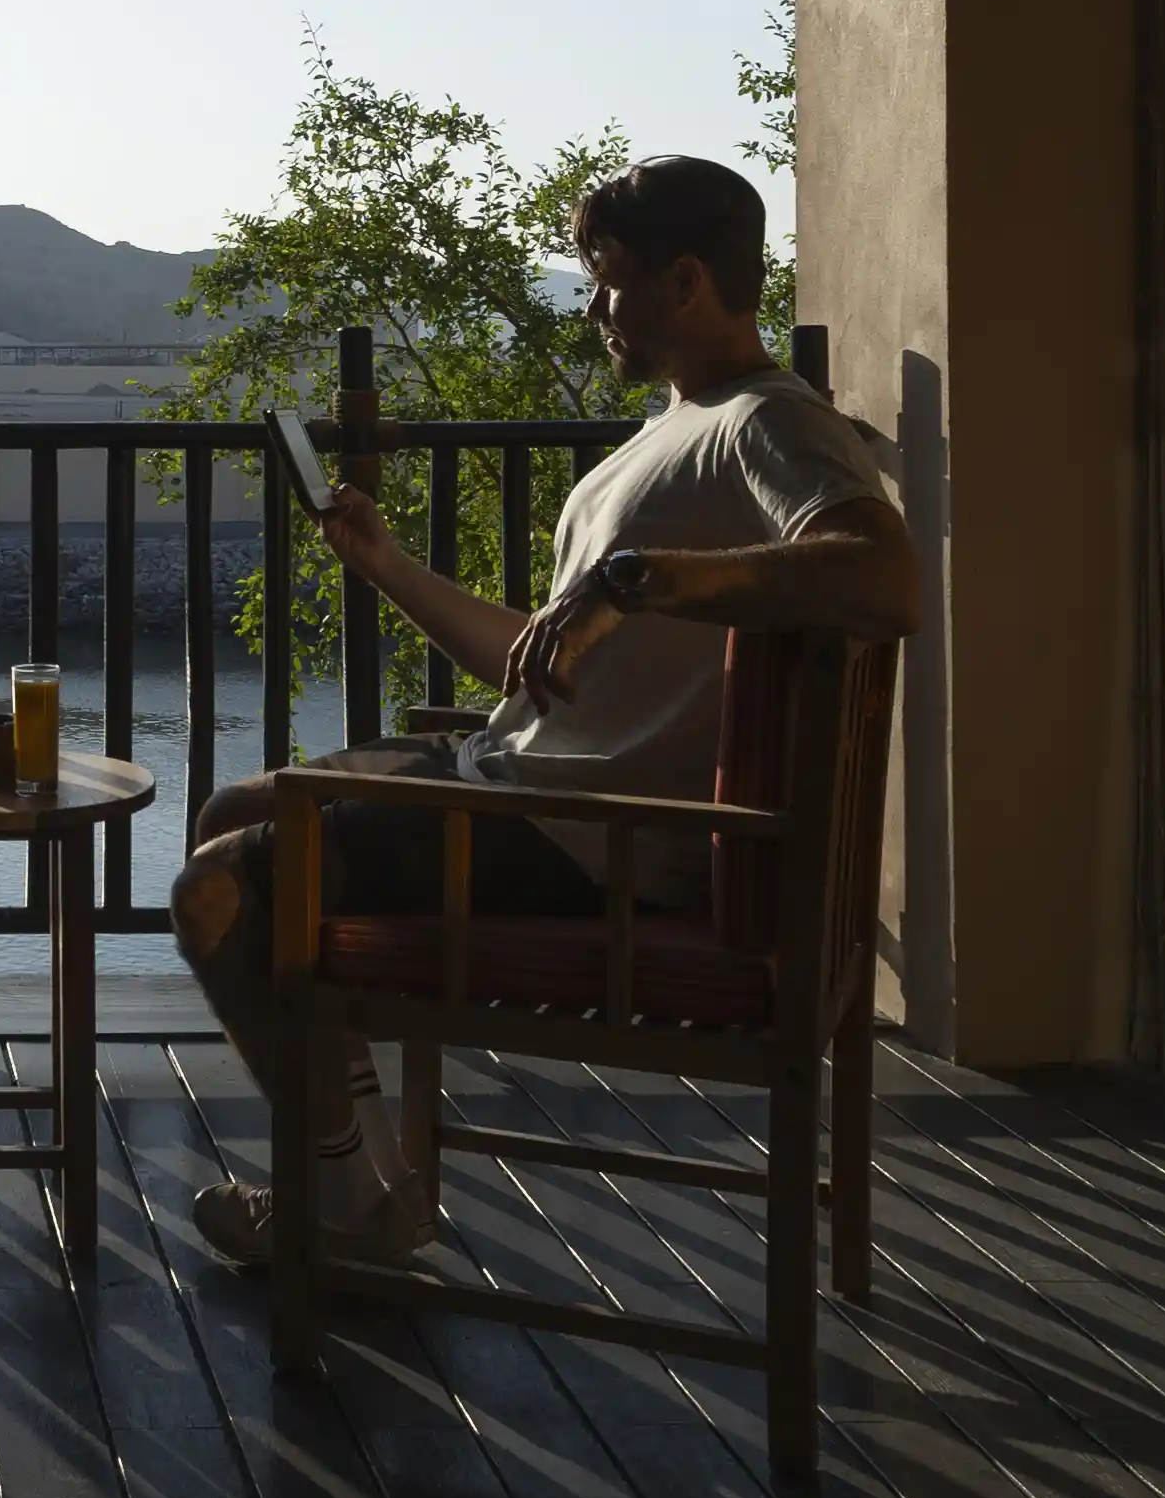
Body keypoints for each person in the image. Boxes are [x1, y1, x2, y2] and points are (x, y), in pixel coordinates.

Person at [164, 151, 914, 1276]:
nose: (596, 305)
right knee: (233, 807)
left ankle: (346, 1201)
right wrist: (384, 563)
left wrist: (632, 582)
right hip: (524, 782)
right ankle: (357, 1186)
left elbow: (882, 572)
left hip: (585, 836)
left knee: (218, 887)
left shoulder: (767, 421)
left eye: (608, 277)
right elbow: (534, 665)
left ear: (687, 281)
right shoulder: (678, 428)